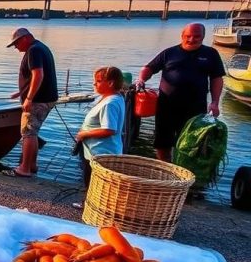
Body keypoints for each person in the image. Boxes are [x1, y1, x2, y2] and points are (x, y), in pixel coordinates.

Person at [137, 23, 224, 162]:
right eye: (188, 36)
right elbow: (149, 68)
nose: (191, 39)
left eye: (197, 36)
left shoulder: (210, 54)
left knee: (191, 142)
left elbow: (217, 78)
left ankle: (184, 174)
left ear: (203, 37)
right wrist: (141, 79)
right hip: (167, 105)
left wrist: (215, 102)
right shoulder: (169, 53)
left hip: (195, 106)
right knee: (163, 141)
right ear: (182, 36)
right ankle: (164, 169)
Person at [5, 27, 59, 177]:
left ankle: (25, 168)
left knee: (28, 133)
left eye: (16, 44)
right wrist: (21, 91)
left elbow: (38, 74)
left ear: (25, 38)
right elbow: (37, 76)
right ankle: (32, 165)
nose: (16, 47)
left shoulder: (33, 50)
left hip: (38, 100)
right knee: (33, 133)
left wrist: (29, 98)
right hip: (46, 98)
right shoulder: (41, 47)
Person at [74, 67, 126, 204]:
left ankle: (91, 206)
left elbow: (109, 129)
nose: (94, 84)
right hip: (96, 150)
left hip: (101, 151)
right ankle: (90, 203)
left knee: (94, 180)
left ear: (110, 83)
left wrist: (84, 133)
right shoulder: (114, 98)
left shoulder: (110, 103)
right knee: (91, 179)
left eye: (98, 81)